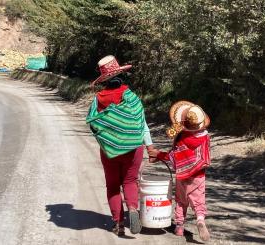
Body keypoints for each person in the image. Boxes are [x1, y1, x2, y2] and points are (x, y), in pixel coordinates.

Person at [86, 55, 156, 236]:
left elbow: (95, 124)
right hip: (134, 147)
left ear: (104, 80)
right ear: (120, 75)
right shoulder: (131, 97)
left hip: (110, 150)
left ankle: (118, 223)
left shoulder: (99, 98)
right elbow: (142, 124)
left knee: (112, 185)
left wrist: (108, 139)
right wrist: (150, 147)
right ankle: (132, 208)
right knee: (130, 181)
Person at [149, 101, 211, 241]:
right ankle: (200, 220)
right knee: (198, 201)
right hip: (198, 175)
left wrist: (159, 155)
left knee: (181, 201)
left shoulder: (182, 138)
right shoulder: (205, 137)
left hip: (182, 176)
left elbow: (174, 157)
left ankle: (179, 227)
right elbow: (204, 156)